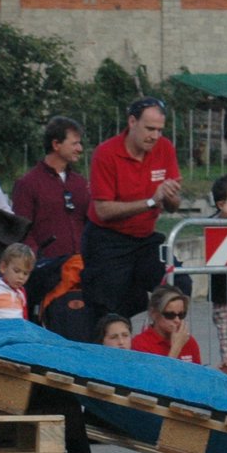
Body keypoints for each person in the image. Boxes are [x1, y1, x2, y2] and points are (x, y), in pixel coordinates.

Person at [82, 96, 183, 320]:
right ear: (132, 122)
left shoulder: (165, 148)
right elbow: (103, 210)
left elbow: (173, 205)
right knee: (110, 309)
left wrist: (170, 195)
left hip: (144, 239)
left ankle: (158, 339)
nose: (155, 136)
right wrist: (151, 201)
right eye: (149, 129)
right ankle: (109, 347)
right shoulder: (106, 153)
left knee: (179, 281)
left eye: (159, 130)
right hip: (108, 241)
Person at [12, 116, 91, 262]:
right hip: (47, 270)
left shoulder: (80, 183)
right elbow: (21, 231)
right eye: (75, 143)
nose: (79, 149)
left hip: (81, 268)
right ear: (56, 144)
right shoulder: (28, 184)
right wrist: (37, 259)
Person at [130, 285, 202, 363]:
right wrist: (176, 348)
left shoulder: (189, 342)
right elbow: (157, 375)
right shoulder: (140, 344)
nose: (177, 320)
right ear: (154, 313)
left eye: (181, 315)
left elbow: (199, 374)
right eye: (170, 315)